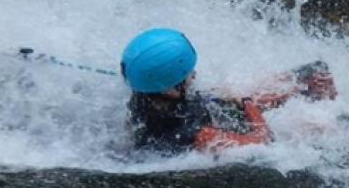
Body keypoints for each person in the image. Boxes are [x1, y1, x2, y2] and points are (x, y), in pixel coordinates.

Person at [120, 28, 337, 154]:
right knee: (319, 107)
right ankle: (338, 117)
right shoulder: (197, 135)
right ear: (170, 88)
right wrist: (246, 101)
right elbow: (264, 142)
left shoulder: (144, 90)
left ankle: (324, 101)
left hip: (208, 112)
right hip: (233, 129)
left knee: (315, 72)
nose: (194, 75)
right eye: (188, 74)